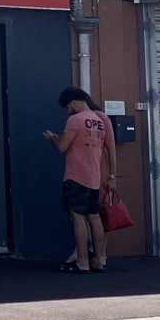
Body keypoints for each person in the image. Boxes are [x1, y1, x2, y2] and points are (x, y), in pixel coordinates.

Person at [43, 88, 114, 273]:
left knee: (77, 217)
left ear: (74, 102)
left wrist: (52, 138)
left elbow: (62, 147)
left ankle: (82, 261)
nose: (68, 110)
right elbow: (107, 147)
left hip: (76, 175)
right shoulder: (99, 121)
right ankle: (98, 259)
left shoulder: (75, 120)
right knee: (94, 217)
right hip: (94, 176)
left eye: (68, 106)